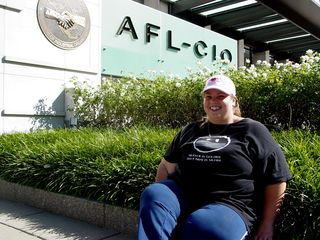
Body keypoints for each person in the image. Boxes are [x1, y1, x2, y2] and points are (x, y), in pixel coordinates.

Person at [138, 75, 292, 240]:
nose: (213, 101)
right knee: (154, 193)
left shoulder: (252, 130)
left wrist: (267, 224)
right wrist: (165, 205)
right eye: (208, 96)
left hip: (230, 205)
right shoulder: (191, 130)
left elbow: (277, 179)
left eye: (220, 96)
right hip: (185, 195)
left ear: (233, 100)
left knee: (204, 226)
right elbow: (166, 166)